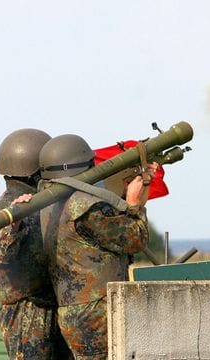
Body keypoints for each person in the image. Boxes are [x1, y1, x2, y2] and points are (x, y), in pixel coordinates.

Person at [38, 134, 155, 359]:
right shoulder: (86, 207)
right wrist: (134, 204)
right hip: (96, 314)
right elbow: (135, 239)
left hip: (74, 310)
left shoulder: (49, 205)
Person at [0, 128, 69, 359]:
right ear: (35, 171)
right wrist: (14, 223)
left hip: (55, 305)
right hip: (27, 312)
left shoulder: (46, 202)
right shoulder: (2, 210)